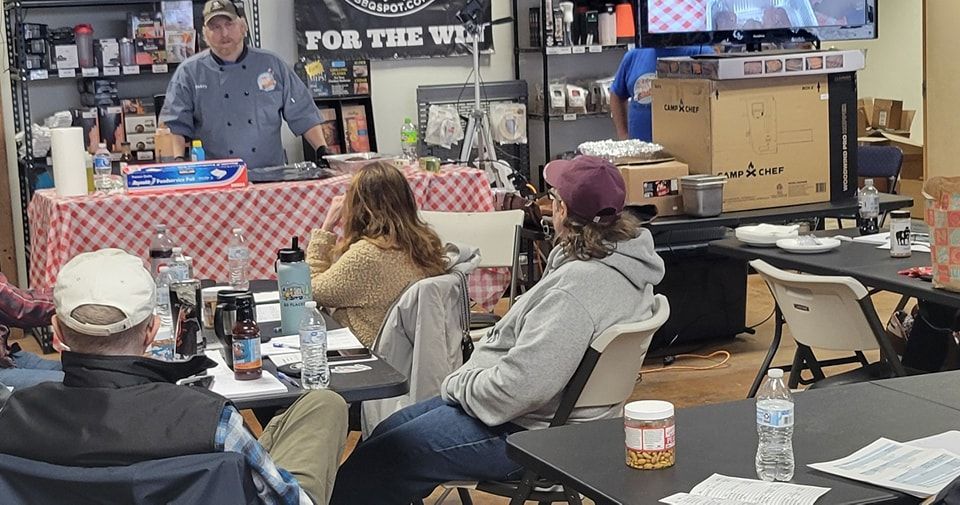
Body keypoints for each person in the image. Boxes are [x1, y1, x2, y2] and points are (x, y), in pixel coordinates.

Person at [329, 155, 666, 504]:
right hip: (548, 421)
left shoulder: (577, 291)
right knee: (386, 435)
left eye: (553, 199)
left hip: (532, 436)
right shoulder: (625, 262)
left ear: (563, 210)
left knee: (383, 459)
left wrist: (460, 383)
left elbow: (521, 388)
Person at [0, 249, 348, 505]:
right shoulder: (211, 421)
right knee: (323, 405)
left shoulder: (12, 418)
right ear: (152, 330)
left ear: (57, 330)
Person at [159, 0, 328, 168]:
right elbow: (177, 123)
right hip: (217, 176)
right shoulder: (189, 72)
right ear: (205, 34)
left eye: (229, 24)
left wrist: (322, 150)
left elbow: (303, 112)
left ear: (243, 27)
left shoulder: (272, 64)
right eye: (215, 27)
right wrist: (178, 161)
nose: (224, 33)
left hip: (270, 173)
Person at [307, 161, 446, 347]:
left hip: (364, 354)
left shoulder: (367, 255)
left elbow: (309, 291)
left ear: (359, 206)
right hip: (405, 351)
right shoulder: (425, 244)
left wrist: (327, 227)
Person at [610, 46, 712, 141]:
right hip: (640, 150)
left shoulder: (700, 53)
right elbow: (617, 94)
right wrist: (623, 135)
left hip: (683, 152)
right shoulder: (634, 55)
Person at [0, 272, 63, 389]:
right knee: (78, 383)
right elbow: (22, 307)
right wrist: (75, 297)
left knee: (81, 373)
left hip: (6, 357)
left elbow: (14, 299)